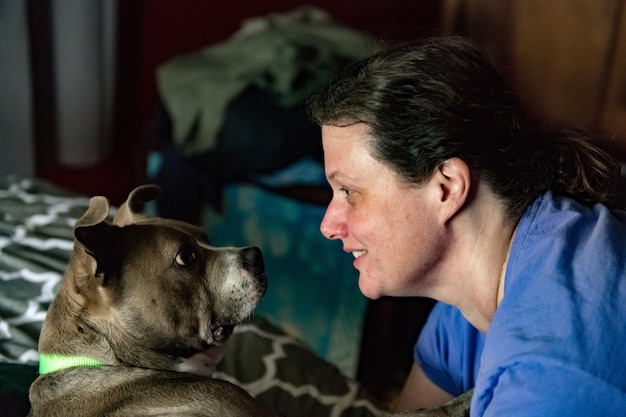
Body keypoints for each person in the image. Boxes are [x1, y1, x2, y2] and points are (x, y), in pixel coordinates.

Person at [307, 36, 626, 416]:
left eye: (349, 191)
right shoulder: (478, 291)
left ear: (447, 189)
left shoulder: (552, 378)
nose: (328, 225)